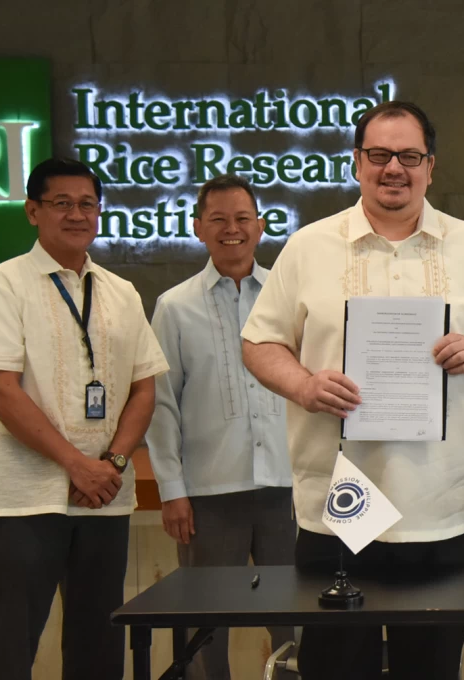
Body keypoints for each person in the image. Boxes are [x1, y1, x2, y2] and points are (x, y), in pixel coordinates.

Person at [240, 100, 464, 680]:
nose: (393, 168)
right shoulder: (309, 246)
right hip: (338, 503)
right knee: (335, 664)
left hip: (442, 505)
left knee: (430, 666)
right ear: (356, 162)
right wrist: (303, 384)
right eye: (378, 155)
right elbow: (259, 343)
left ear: (431, 166)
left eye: (408, 156)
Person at [0, 157, 169, 680]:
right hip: (27, 499)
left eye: (87, 203)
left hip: (105, 495)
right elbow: (0, 390)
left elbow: (144, 386)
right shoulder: (2, 286)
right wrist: (77, 465)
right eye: (61, 203)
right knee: (12, 645)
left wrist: (115, 461)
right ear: (33, 211)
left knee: (99, 644)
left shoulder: (121, 291)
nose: (77, 214)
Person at [146, 174, 296, 680]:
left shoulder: (290, 296)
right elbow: (161, 405)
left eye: (242, 219)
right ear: (198, 228)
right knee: (206, 625)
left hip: (289, 489)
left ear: (261, 226)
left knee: (296, 622)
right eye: (218, 220)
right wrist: (171, 490)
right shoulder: (174, 306)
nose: (232, 229)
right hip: (208, 495)